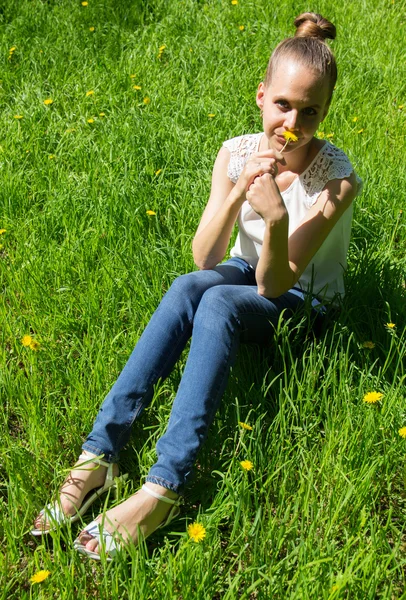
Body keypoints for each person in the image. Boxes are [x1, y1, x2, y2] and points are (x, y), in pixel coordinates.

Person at [32, 12, 362, 560]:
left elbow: (278, 281)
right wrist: (240, 191)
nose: (292, 122)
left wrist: (276, 219)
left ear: (325, 113)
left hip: (304, 300)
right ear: (261, 96)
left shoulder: (335, 178)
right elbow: (207, 255)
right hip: (246, 269)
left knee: (218, 307)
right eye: (283, 104)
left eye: (310, 112)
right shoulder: (234, 152)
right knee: (192, 286)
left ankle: (165, 486)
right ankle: (100, 454)